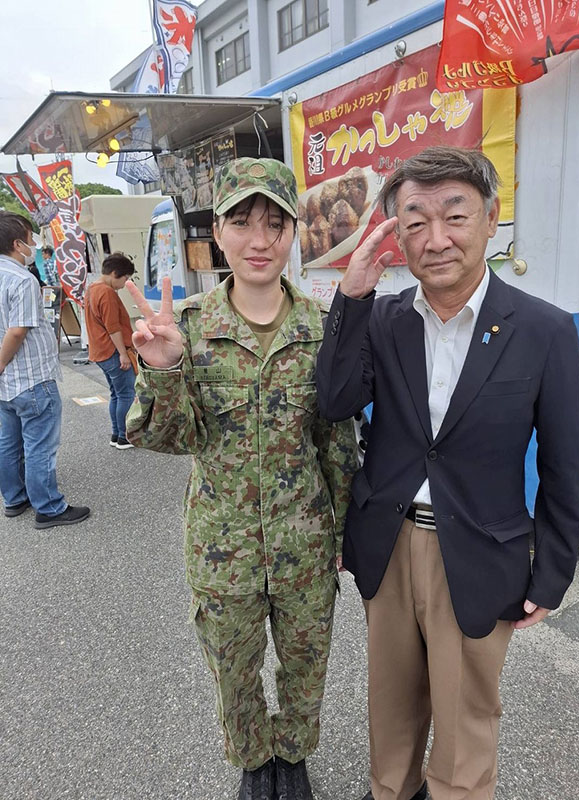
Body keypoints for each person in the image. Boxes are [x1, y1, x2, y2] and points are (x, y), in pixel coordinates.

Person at [316, 145, 579, 800]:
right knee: (392, 707)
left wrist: (550, 574)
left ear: (492, 220)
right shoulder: (381, 319)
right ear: (395, 234)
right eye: (415, 221)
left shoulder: (543, 331)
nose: (436, 239)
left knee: (466, 719)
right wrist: (352, 292)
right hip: (388, 545)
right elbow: (333, 399)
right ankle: (391, 790)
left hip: (482, 550)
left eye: (455, 216)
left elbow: (562, 464)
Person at [125, 158, 357, 800]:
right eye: (242, 222)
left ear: (292, 233)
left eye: (275, 222)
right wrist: (167, 370)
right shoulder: (188, 327)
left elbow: (336, 442)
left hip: (305, 544)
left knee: (307, 667)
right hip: (222, 549)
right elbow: (163, 438)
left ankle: (295, 756)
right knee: (234, 669)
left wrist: (344, 534)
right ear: (219, 233)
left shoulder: (320, 328)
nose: (260, 240)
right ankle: (256, 763)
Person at [0, 211, 90, 528]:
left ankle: (14, 498)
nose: (33, 245)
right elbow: (17, 330)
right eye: (30, 239)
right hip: (30, 377)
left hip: (6, 386)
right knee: (39, 446)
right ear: (17, 244)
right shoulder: (22, 279)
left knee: (8, 443)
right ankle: (49, 507)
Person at [84, 253, 136, 449]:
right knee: (126, 394)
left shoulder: (92, 289)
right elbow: (113, 327)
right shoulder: (107, 293)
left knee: (116, 393)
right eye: (125, 278)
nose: (124, 284)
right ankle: (124, 436)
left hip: (99, 351)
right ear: (115, 273)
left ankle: (116, 433)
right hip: (112, 351)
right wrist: (123, 353)